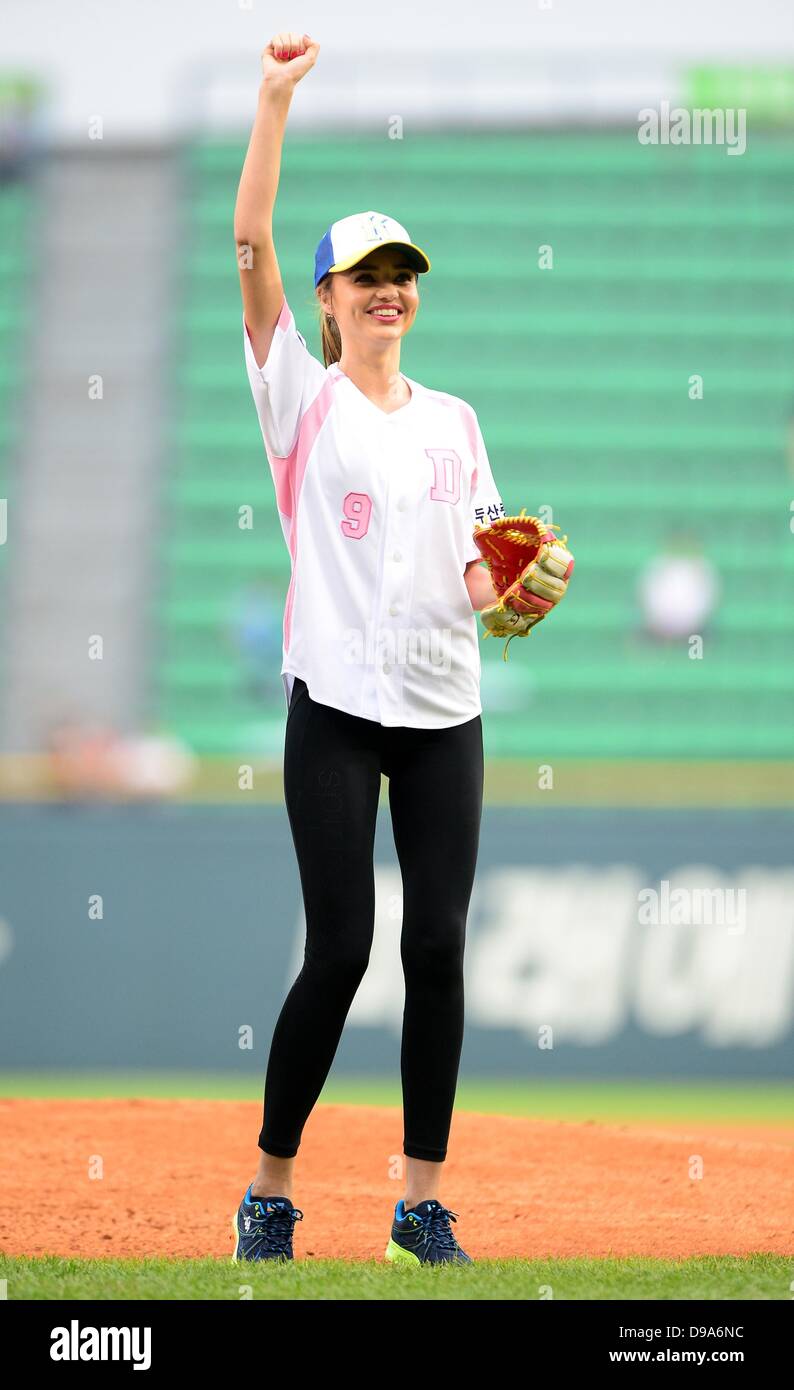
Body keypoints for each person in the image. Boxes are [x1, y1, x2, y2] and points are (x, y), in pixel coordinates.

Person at [231, 30, 508, 1267]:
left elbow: (478, 576)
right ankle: (272, 1190)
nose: (388, 290)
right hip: (336, 702)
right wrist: (273, 106)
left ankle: (418, 1206)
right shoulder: (300, 397)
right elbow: (247, 247)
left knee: (437, 947)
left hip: (445, 704)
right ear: (329, 298)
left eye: (402, 274)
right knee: (340, 946)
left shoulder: (456, 418)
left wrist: (513, 592)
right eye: (365, 277)